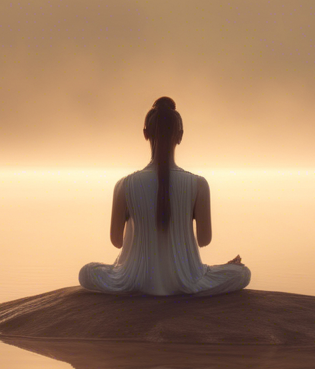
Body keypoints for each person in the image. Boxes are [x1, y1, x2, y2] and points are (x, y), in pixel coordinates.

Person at [78, 97, 251, 296]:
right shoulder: (198, 184)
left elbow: (117, 241)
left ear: (145, 134)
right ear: (180, 136)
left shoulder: (124, 185)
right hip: (185, 280)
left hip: (133, 280)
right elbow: (204, 239)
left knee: (86, 272)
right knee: (242, 273)